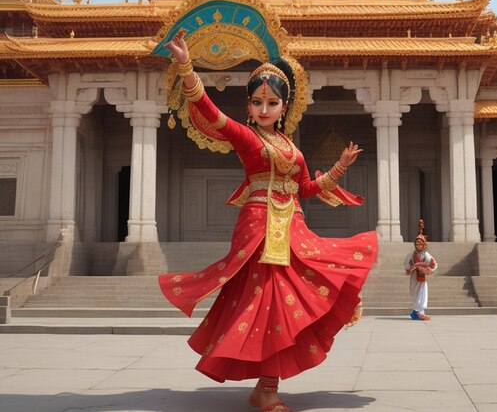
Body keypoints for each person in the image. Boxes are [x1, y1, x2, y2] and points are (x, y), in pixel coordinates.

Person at [158, 29, 378, 412]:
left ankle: (265, 388)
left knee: (291, 299)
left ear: (283, 107)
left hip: (292, 226)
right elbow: (211, 113)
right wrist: (187, 67)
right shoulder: (246, 137)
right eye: (257, 102)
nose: (264, 109)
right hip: (259, 226)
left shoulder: (292, 148)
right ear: (248, 106)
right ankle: (267, 391)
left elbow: (306, 188)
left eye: (272, 103)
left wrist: (340, 168)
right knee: (269, 302)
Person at [403, 233, 437, 321]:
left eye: (420, 243)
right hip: (414, 276)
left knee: (422, 294)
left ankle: (420, 312)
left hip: (422, 276)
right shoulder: (411, 255)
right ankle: (416, 312)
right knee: (415, 293)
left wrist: (424, 268)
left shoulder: (426, 255)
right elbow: (407, 266)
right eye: (417, 243)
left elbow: (434, 264)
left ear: (424, 245)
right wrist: (413, 267)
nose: (418, 245)